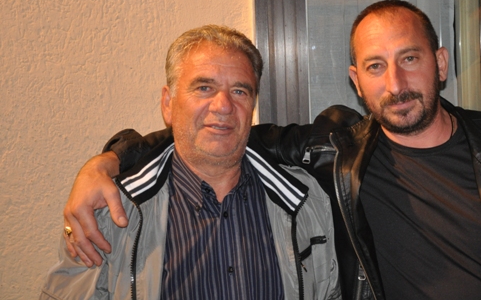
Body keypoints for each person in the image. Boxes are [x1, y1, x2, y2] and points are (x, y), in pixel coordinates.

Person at [62, 1, 481, 299]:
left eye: (410, 59)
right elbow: (213, 133)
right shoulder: (334, 152)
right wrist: (107, 161)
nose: (396, 83)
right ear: (357, 81)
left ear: (440, 63)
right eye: (376, 67)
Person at [41, 25, 341, 300]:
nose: (224, 106)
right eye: (204, 88)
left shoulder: (308, 201)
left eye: (239, 91)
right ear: (168, 104)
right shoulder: (109, 212)